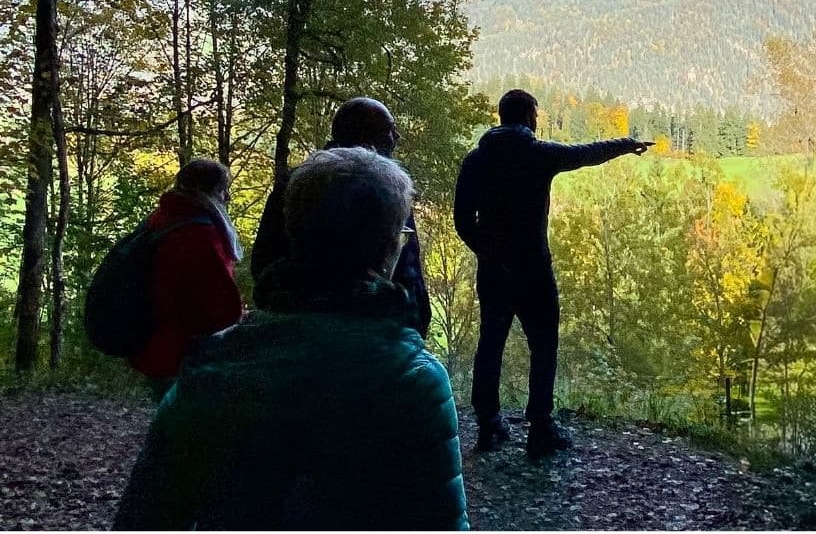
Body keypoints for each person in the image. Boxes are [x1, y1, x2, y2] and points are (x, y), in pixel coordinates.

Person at [114, 147, 468, 531]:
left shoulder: (210, 371)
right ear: (387, 251)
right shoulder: (415, 381)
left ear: (294, 234)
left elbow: (144, 518)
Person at [454, 89, 652, 459]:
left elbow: (462, 221)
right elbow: (588, 153)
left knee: (490, 344)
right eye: (536, 115)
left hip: (494, 272)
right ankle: (540, 428)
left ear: (501, 117)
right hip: (534, 270)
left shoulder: (476, 160)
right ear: (529, 117)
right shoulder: (539, 155)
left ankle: (488, 425)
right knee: (543, 346)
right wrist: (627, 144)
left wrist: (488, 252)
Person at [251, 97, 431, 337]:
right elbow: (407, 268)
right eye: (388, 130)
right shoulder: (385, 190)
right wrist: (414, 319)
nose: (396, 137)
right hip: (374, 335)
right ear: (364, 137)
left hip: (294, 330)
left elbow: (264, 261)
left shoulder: (298, 184)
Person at [129, 158, 244, 400]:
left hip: (154, 344)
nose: (227, 198)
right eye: (224, 190)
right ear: (209, 191)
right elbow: (224, 309)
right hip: (184, 352)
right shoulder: (201, 234)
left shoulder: (161, 218)